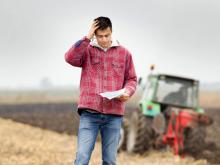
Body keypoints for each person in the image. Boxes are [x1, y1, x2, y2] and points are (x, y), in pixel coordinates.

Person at [65, 16, 137, 165]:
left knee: (110, 161)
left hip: (114, 115)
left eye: (107, 35)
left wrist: (127, 92)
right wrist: (87, 37)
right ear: (95, 35)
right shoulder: (86, 50)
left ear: (112, 32)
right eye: (99, 36)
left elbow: (132, 79)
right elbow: (70, 58)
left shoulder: (124, 53)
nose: (104, 39)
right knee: (82, 158)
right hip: (89, 114)